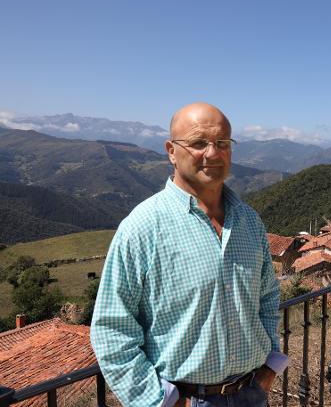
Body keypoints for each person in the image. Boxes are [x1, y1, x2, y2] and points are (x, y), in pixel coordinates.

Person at [90, 102, 288, 407]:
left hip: (252, 392)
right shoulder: (142, 228)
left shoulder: (249, 222)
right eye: (198, 143)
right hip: (185, 400)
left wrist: (270, 367)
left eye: (222, 143)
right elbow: (111, 329)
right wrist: (157, 401)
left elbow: (268, 298)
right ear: (171, 150)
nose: (213, 153)